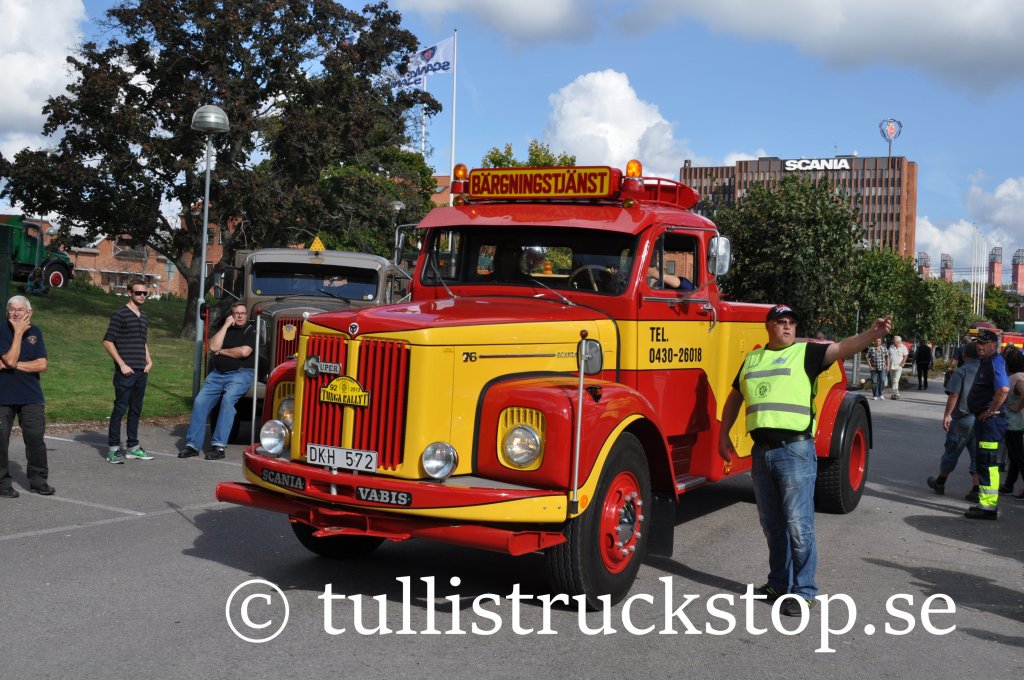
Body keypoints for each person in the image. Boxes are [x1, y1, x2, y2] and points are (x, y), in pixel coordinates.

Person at [718, 304, 891, 616]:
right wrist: (723, 434)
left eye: (792, 322)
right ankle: (777, 584)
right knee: (772, 525)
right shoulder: (753, 359)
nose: (787, 326)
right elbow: (735, 396)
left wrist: (872, 333)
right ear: (768, 326)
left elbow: (843, 347)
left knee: (799, 526)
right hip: (762, 453)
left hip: (794, 452)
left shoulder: (806, 354)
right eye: (780, 321)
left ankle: (804, 591)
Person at [178, 302, 256, 460]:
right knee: (200, 402)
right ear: (231, 315)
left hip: (240, 374)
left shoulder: (251, 330)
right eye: (236, 313)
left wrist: (222, 351)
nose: (240, 316)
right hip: (217, 374)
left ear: (246, 315)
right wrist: (226, 326)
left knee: (227, 401)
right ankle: (193, 445)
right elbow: (213, 347)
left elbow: (244, 352)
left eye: (243, 313)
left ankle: (218, 446)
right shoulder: (225, 329)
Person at [0, 295, 54, 497]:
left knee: (35, 438)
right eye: (12, 309)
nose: (16, 313)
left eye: (20, 309)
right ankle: (2, 483)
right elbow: (10, 357)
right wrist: (18, 333)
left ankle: (39, 481)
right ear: (7, 312)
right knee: (0, 440)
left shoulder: (35, 333)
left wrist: (11, 365)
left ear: (29, 313)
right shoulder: (1, 331)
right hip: (3, 396)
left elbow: (42, 365)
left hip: (31, 396)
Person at [102, 278, 154, 464]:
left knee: (136, 410)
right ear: (129, 293)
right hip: (126, 372)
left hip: (141, 370)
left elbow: (142, 341)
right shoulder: (120, 314)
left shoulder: (144, 316)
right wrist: (122, 365)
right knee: (120, 409)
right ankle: (114, 449)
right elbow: (108, 341)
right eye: (138, 293)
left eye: (145, 293)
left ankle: (133, 447)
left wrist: (149, 361)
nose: (142, 296)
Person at [963, 328, 1009, 519]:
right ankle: (985, 504)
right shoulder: (988, 361)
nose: (979, 346)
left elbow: (1004, 389)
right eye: (978, 343)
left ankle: (988, 508)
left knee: (988, 464)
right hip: (987, 423)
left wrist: (991, 411)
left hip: (991, 423)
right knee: (984, 463)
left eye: (983, 343)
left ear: (993, 345)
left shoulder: (995, 362)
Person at [927, 341, 980, 499]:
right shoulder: (986, 370)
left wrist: (947, 415)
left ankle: (940, 482)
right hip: (980, 420)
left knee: (951, 451)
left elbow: (954, 394)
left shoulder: (961, 371)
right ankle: (976, 488)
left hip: (963, 419)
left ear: (964, 355)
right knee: (977, 455)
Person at [999, 347, 1024, 498]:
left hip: (1015, 422)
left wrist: (1017, 407)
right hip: (1016, 421)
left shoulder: (1016, 378)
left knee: (1018, 456)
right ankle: (1009, 485)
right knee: (1014, 456)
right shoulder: (1019, 376)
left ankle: (1010, 485)